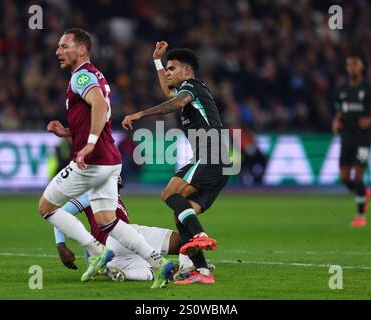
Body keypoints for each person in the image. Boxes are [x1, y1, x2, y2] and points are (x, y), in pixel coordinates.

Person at [38, 28, 173, 288]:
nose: (58, 51)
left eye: (64, 46)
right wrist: (67, 132)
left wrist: (88, 145)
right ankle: (159, 263)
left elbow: (99, 105)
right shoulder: (96, 75)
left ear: (81, 50)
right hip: (111, 161)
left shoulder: (81, 77)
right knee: (108, 221)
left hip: (92, 161)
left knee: (46, 207)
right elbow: (95, 114)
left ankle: (98, 252)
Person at [122, 42, 229, 284]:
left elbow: (176, 102)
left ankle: (200, 233)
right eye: (167, 69)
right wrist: (157, 62)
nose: (168, 73)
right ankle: (201, 271)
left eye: (172, 68)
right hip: (218, 164)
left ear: (187, 71)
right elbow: (170, 94)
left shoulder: (193, 86)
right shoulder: (188, 90)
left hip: (210, 156)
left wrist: (140, 114)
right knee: (181, 215)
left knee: (169, 192)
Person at [53, 191, 192, 282]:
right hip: (119, 237)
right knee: (186, 239)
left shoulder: (107, 194)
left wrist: (90, 260)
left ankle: (123, 274)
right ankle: (188, 269)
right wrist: (60, 245)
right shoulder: (94, 191)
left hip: (111, 254)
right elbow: (61, 214)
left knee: (153, 270)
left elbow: (91, 234)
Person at [332, 56, 371, 227]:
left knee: (358, 176)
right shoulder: (341, 89)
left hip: (364, 137)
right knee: (344, 177)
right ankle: (364, 192)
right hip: (347, 136)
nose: (352, 68)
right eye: (349, 64)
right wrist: (336, 121)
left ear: (362, 67)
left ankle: (360, 216)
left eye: (355, 64)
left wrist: (370, 120)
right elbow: (339, 110)